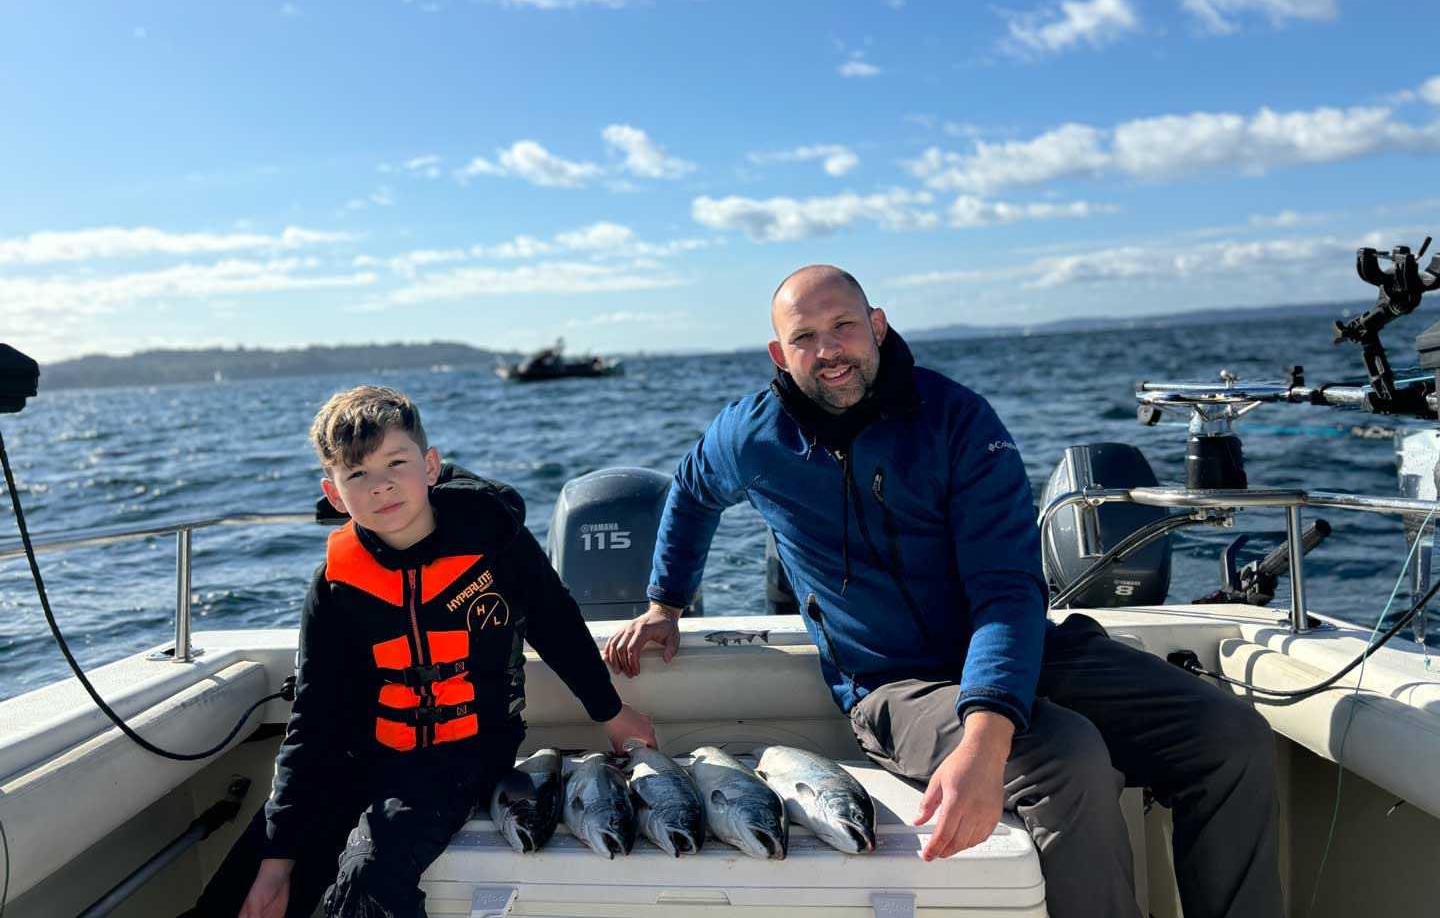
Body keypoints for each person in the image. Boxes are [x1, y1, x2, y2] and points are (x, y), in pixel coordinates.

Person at [603, 265, 1281, 918]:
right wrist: (666, 603)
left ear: (877, 324)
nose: (828, 350)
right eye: (805, 338)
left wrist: (986, 739)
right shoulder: (750, 436)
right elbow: (691, 492)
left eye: (842, 326)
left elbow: (1008, 590)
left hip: (1022, 649)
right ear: (781, 354)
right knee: (1064, 758)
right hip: (894, 686)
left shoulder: (957, 421)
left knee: (1229, 737)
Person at [187, 385, 653, 918]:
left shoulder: (492, 540)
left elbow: (557, 624)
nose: (381, 486)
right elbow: (313, 721)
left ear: (430, 466)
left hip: (463, 754)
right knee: (239, 892)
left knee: (366, 878)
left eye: (396, 463)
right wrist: (276, 860)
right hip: (363, 754)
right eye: (357, 475)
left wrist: (611, 711)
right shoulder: (334, 586)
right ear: (335, 495)